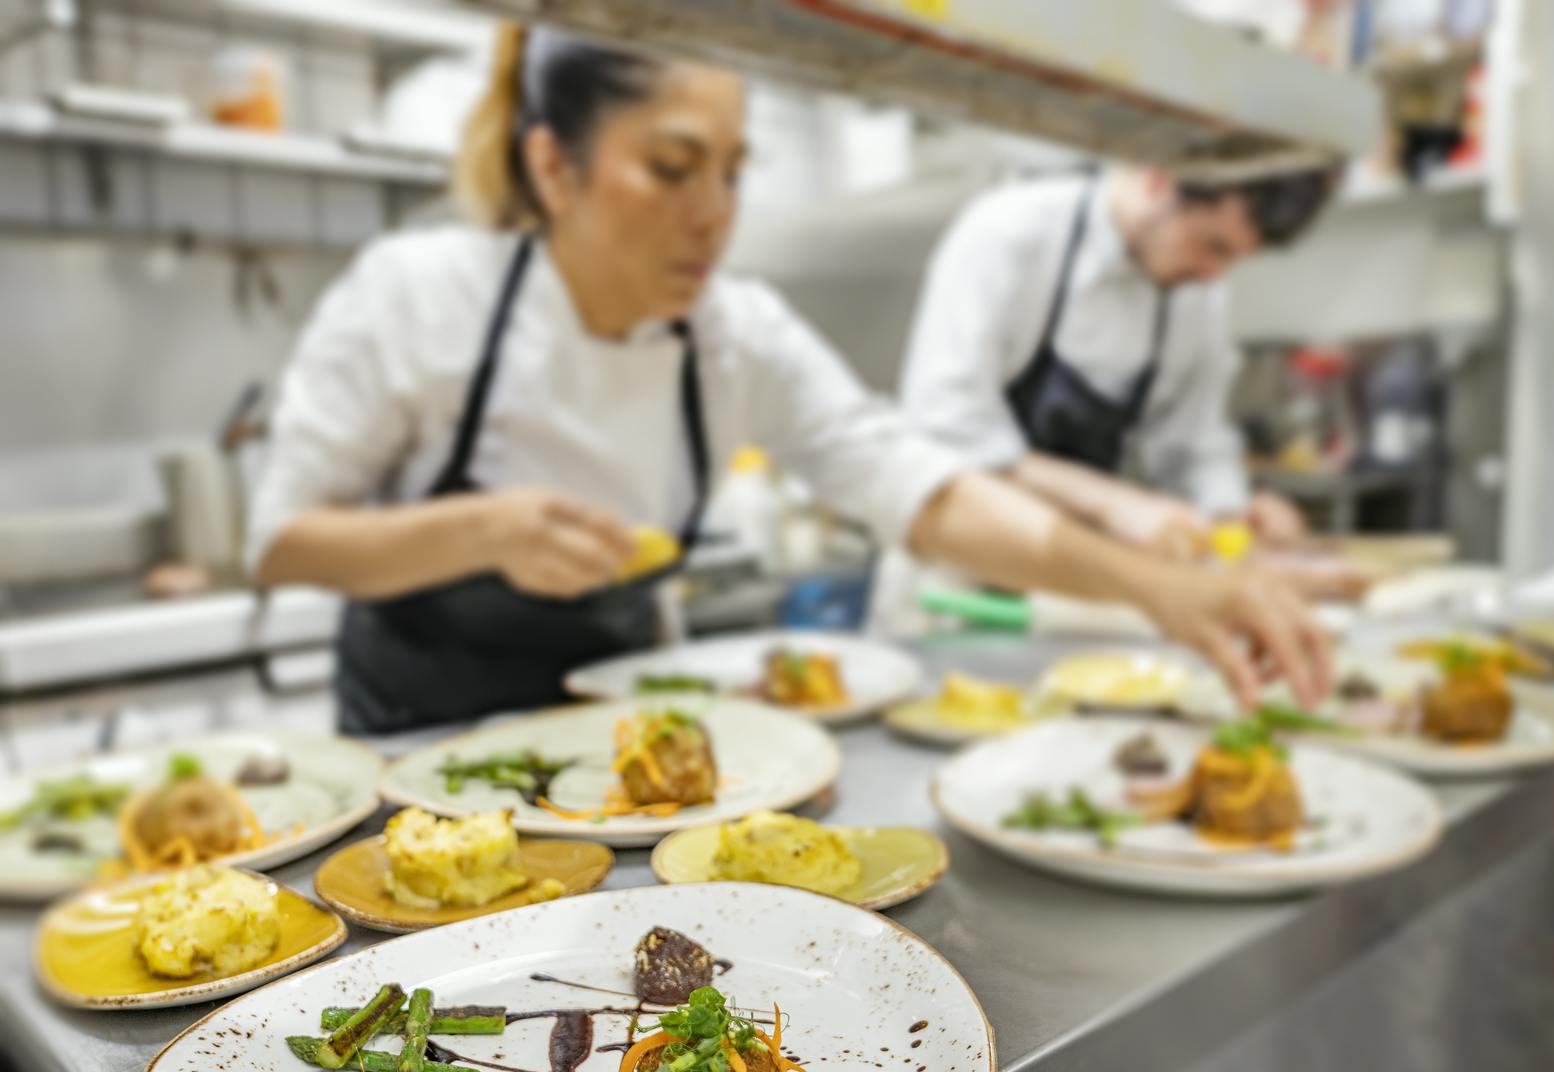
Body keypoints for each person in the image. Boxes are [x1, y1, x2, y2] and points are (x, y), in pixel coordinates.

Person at [247, 27, 1331, 736]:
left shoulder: (734, 334)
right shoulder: (419, 293)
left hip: (620, 763)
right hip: (417, 756)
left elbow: (922, 487)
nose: (714, 213)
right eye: (673, 169)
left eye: (732, 171)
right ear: (552, 165)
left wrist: (1157, 588)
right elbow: (280, 537)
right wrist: (483, 532)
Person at [897, 164, 1339, 556]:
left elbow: (1193, 446)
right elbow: (949, 434)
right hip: (958, 571)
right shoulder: (1008, 233)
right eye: (1214, 246)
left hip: (1086, 581)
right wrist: (1113, 503)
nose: (1213, 275)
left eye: (1235, 260)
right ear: (1158, 179)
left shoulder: (1197, 296)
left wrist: (1232, 514)